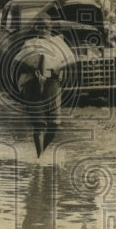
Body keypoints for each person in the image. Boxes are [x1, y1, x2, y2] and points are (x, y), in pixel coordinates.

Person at [16, 15, 69, 158]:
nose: (45, 31)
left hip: (53, 85)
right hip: (33, 85)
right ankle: (40, 159)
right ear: (37, 29)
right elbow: (18, 64)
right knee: (39, 125)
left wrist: (57, 68)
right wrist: (34, 71)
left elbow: (68, 61)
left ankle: (42, 153)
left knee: (55, 124)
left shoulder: (57, 44)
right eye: (42, 27)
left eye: (48, 27)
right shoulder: (29, 44)